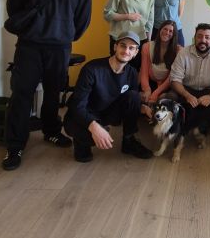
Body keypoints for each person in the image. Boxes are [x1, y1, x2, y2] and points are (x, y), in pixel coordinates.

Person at [2, 0, 92, 171]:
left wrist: (64, 34)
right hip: (29, 45)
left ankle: (51, 131)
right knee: (21, 94)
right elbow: (14, 6)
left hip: (59, 48)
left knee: (53, 93)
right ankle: (15, 146)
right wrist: (32, 29)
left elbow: (82, 20)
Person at [64, 31, 152, 162]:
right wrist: (94, 127)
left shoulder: (132, 73)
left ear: (135, 53)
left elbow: (130, 102)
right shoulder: (92, 69)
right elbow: (77, 106)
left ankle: (129, 141)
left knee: (134, 96)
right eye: (123, 46)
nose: (126, 51)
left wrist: (144, 108)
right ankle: (81, 143)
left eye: (131, 48)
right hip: (82, 114)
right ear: (115, 47)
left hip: (107, 112)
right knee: (87, 141)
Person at [170, 23, 210, 145]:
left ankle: (202, 123)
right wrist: (187, 95)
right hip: (187, 90)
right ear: (194, 38)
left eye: (207, 37)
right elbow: (174, 80)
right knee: (169, 97)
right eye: (199, 36)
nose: (203, 40)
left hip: (208, 91)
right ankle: (179, 126)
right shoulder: (183, 53)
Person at [103, 0, 154, 70]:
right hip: (119, 38)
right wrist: (127, 16)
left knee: (135, 70)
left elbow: (149, 22)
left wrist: (148, 43)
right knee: (117, 69)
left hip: (139, 41)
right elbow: (107, 13)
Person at [139, 19, 182, 113]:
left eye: (171, 31)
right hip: (151, 83)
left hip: (167, 85)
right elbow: (144, 72)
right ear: (160, 30)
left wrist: (155, 94)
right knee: (140, 96)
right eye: (165, 29)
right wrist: (147, 90)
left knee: (169, 97)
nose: (167, 32)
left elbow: (171, 77)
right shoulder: (147, 46)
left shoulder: (178, 50)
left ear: (174, 35)